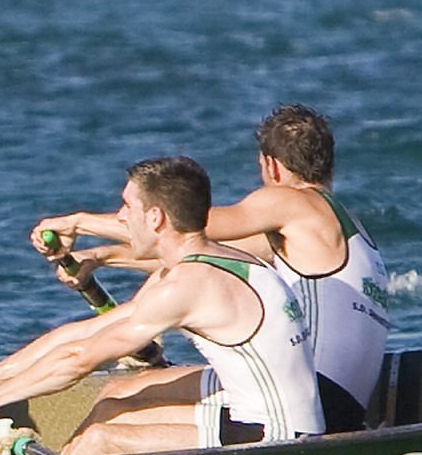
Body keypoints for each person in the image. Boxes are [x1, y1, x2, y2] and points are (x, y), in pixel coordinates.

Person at [34, 105, 388, 432]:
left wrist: (78, 222)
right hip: (339, 401)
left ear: (271, 166)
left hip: (318, 403)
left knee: (119, 404)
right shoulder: (333, 225)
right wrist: (103, 256)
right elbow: (199, 256)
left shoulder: (291, 202)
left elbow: (182, 226)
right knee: (123, 389)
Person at [0, 155, 321, 455]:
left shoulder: (186, 285)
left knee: (100, 439)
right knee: (115, 398)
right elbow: (85, 332)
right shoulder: (213, 260)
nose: (121, 217)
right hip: (257, 404)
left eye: (127, 206)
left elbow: (79, 359)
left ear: (155, 218)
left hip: (278, 438)